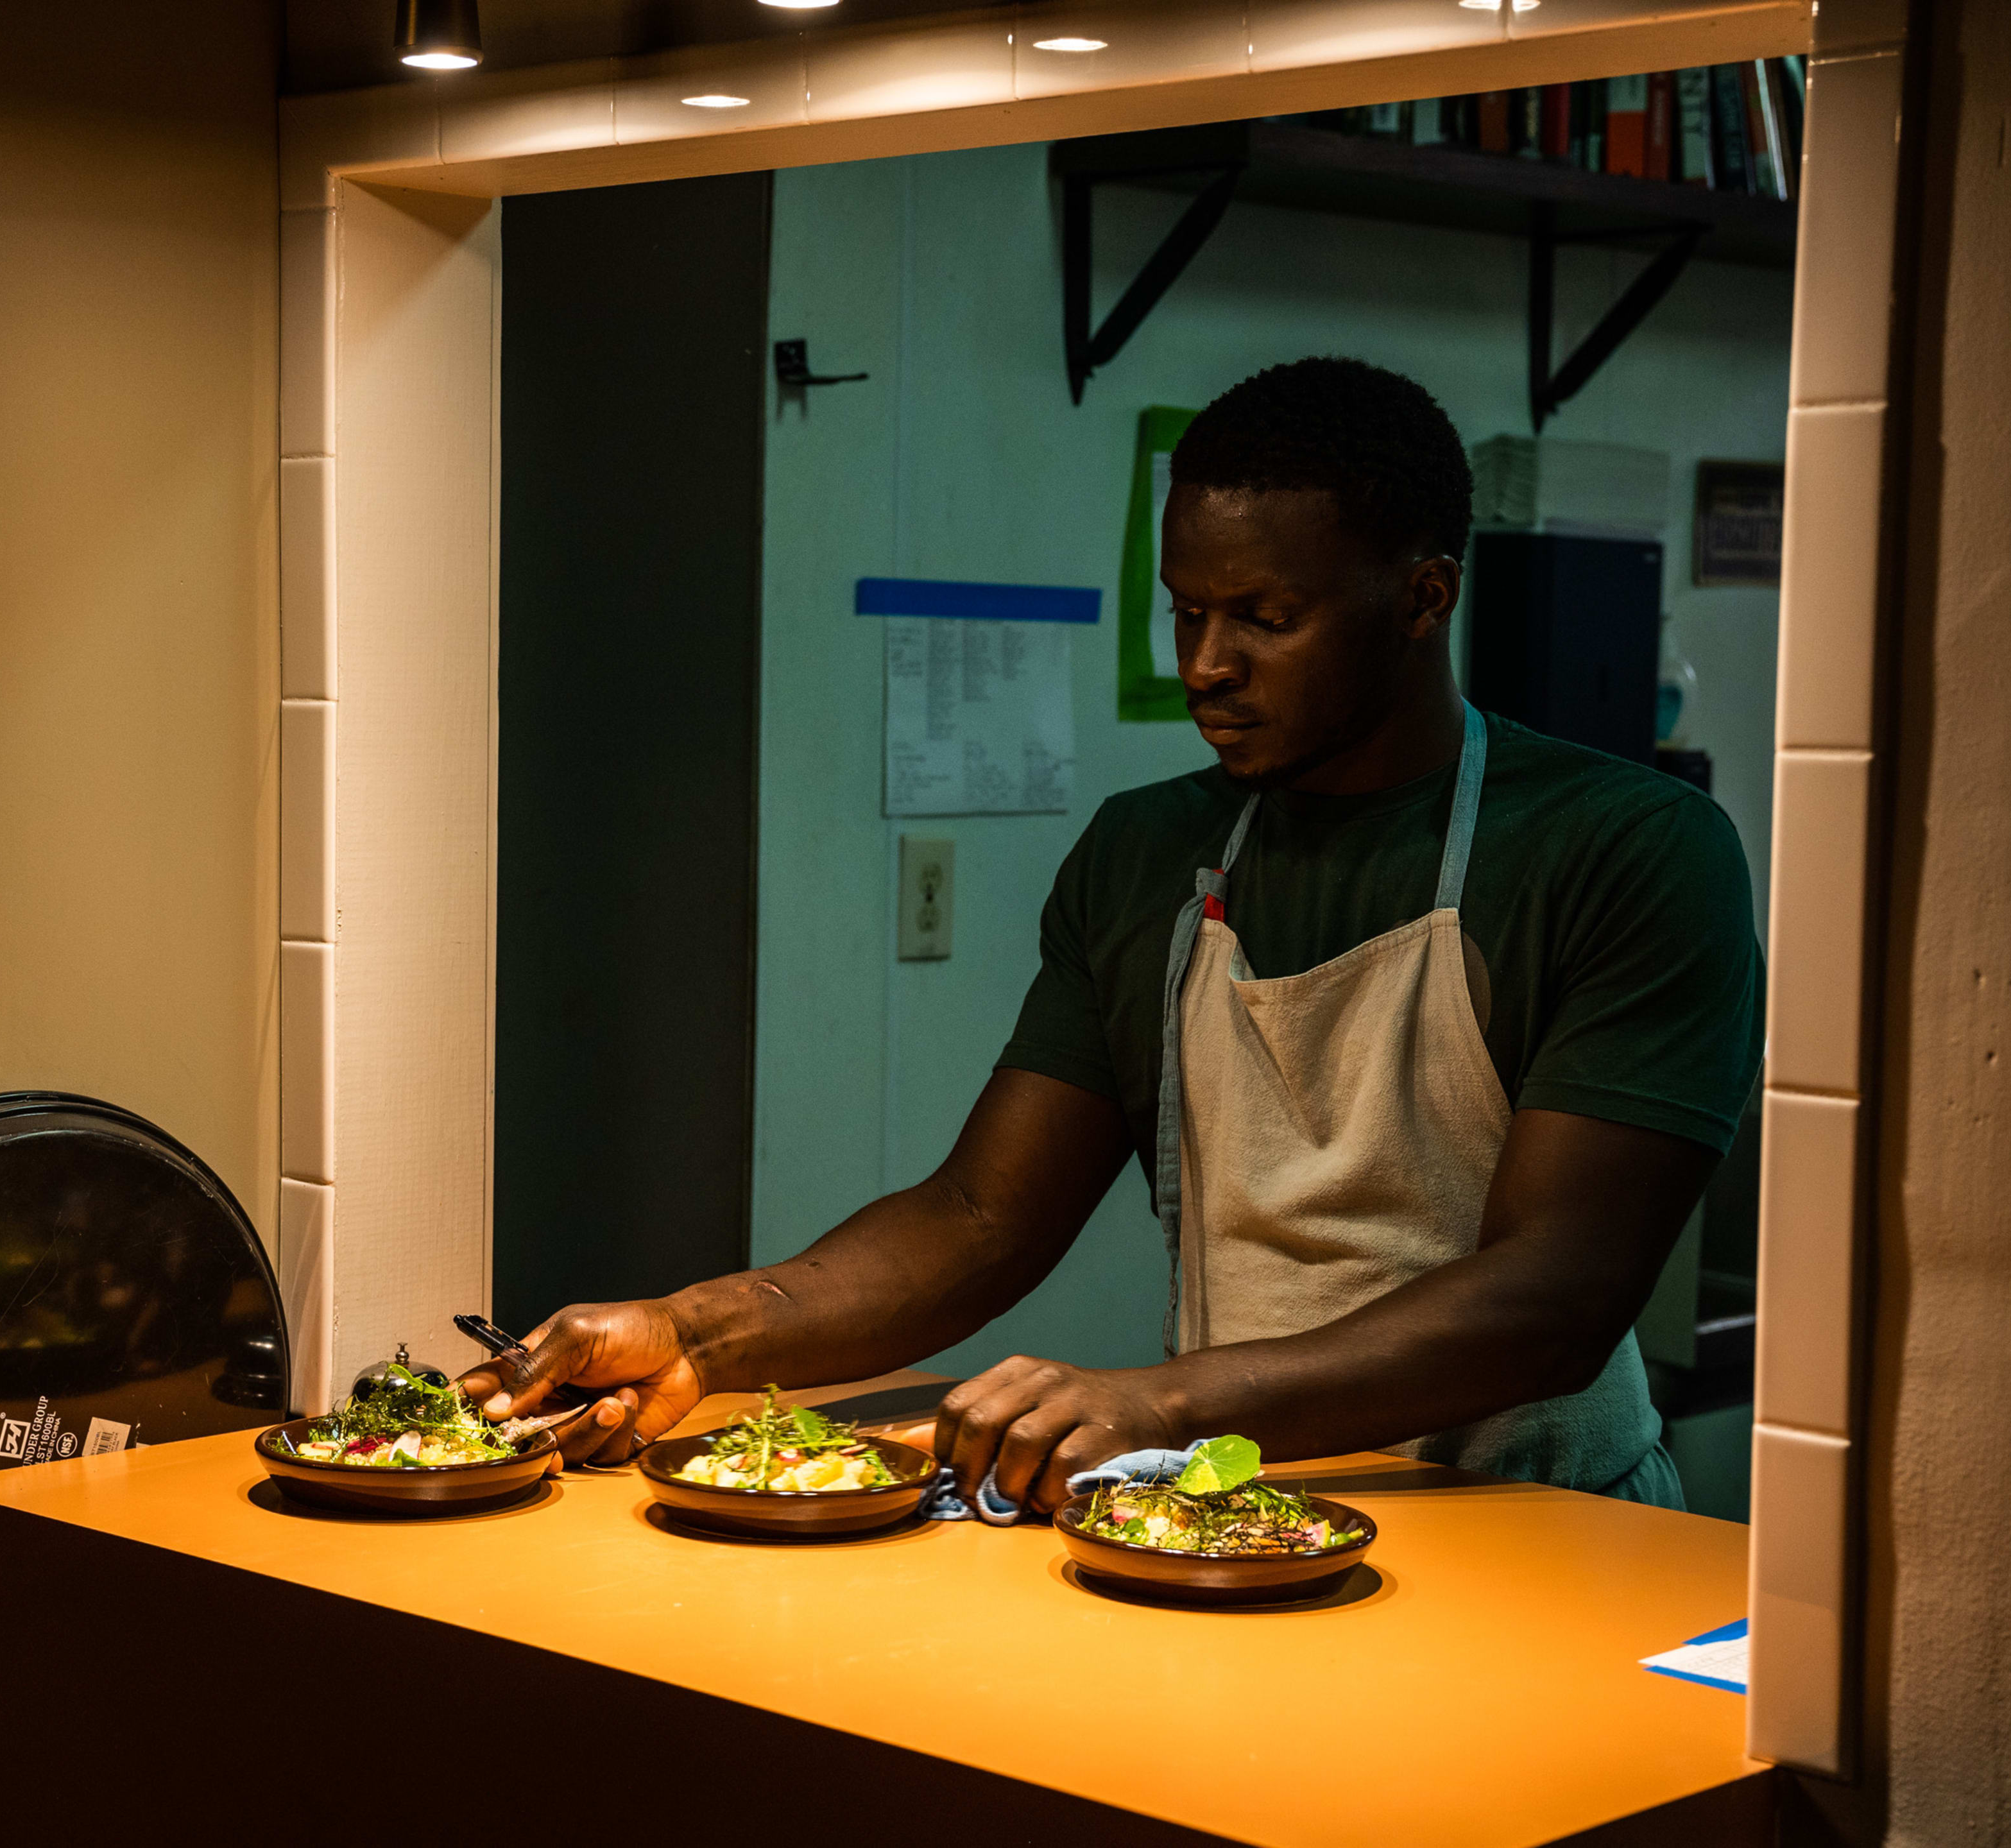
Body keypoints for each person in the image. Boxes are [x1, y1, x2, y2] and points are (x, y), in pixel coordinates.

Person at [461, 357, 1763, 1511]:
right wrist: (696, 1335)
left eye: (1263, 618)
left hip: (1538, 1518)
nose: (1206, 664)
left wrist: (1166, 1402)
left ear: (1423, 599)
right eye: (1186, 610)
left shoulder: (1628, 849)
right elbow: (978, 1218)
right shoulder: (1148, 855)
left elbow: (1561, 1294)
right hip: (1218, 1516)